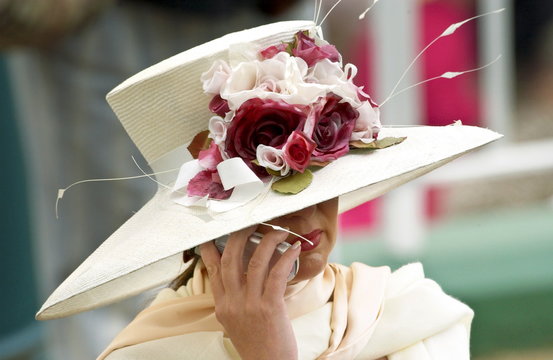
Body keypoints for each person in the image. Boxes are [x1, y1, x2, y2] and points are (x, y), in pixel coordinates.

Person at [36, 19, 500, 360]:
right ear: (205, 230)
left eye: (321, 189)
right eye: (270, 200)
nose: (309, 220)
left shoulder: (409, 314)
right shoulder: (151, 352)